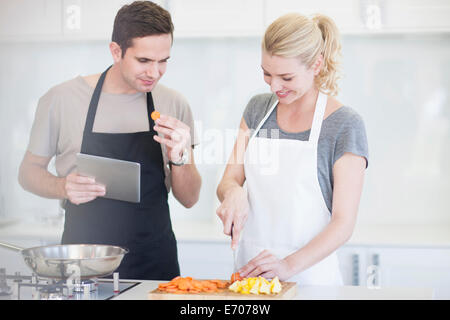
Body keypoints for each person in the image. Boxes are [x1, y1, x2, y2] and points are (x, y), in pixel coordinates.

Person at [18, 1, 201, 280]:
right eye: (144, 61)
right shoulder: (62, 100)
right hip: (84, 268)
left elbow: (189, 199)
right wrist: (62, 186)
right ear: (116, 51)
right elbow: (27, 173)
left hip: (154, 262)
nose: (155, 73)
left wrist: (180, 157)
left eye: (163, 61)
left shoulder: (174, 103)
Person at [216, 13, 368, 286]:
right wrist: (233, 192)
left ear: (316, 65)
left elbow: (343, 223)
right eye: (267, 73)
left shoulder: (345, 125)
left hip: (311, 280)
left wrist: (287, 266)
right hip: (251, 281)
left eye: (286, 77)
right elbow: (228, 180)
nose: (274, 86)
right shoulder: (256, 110)